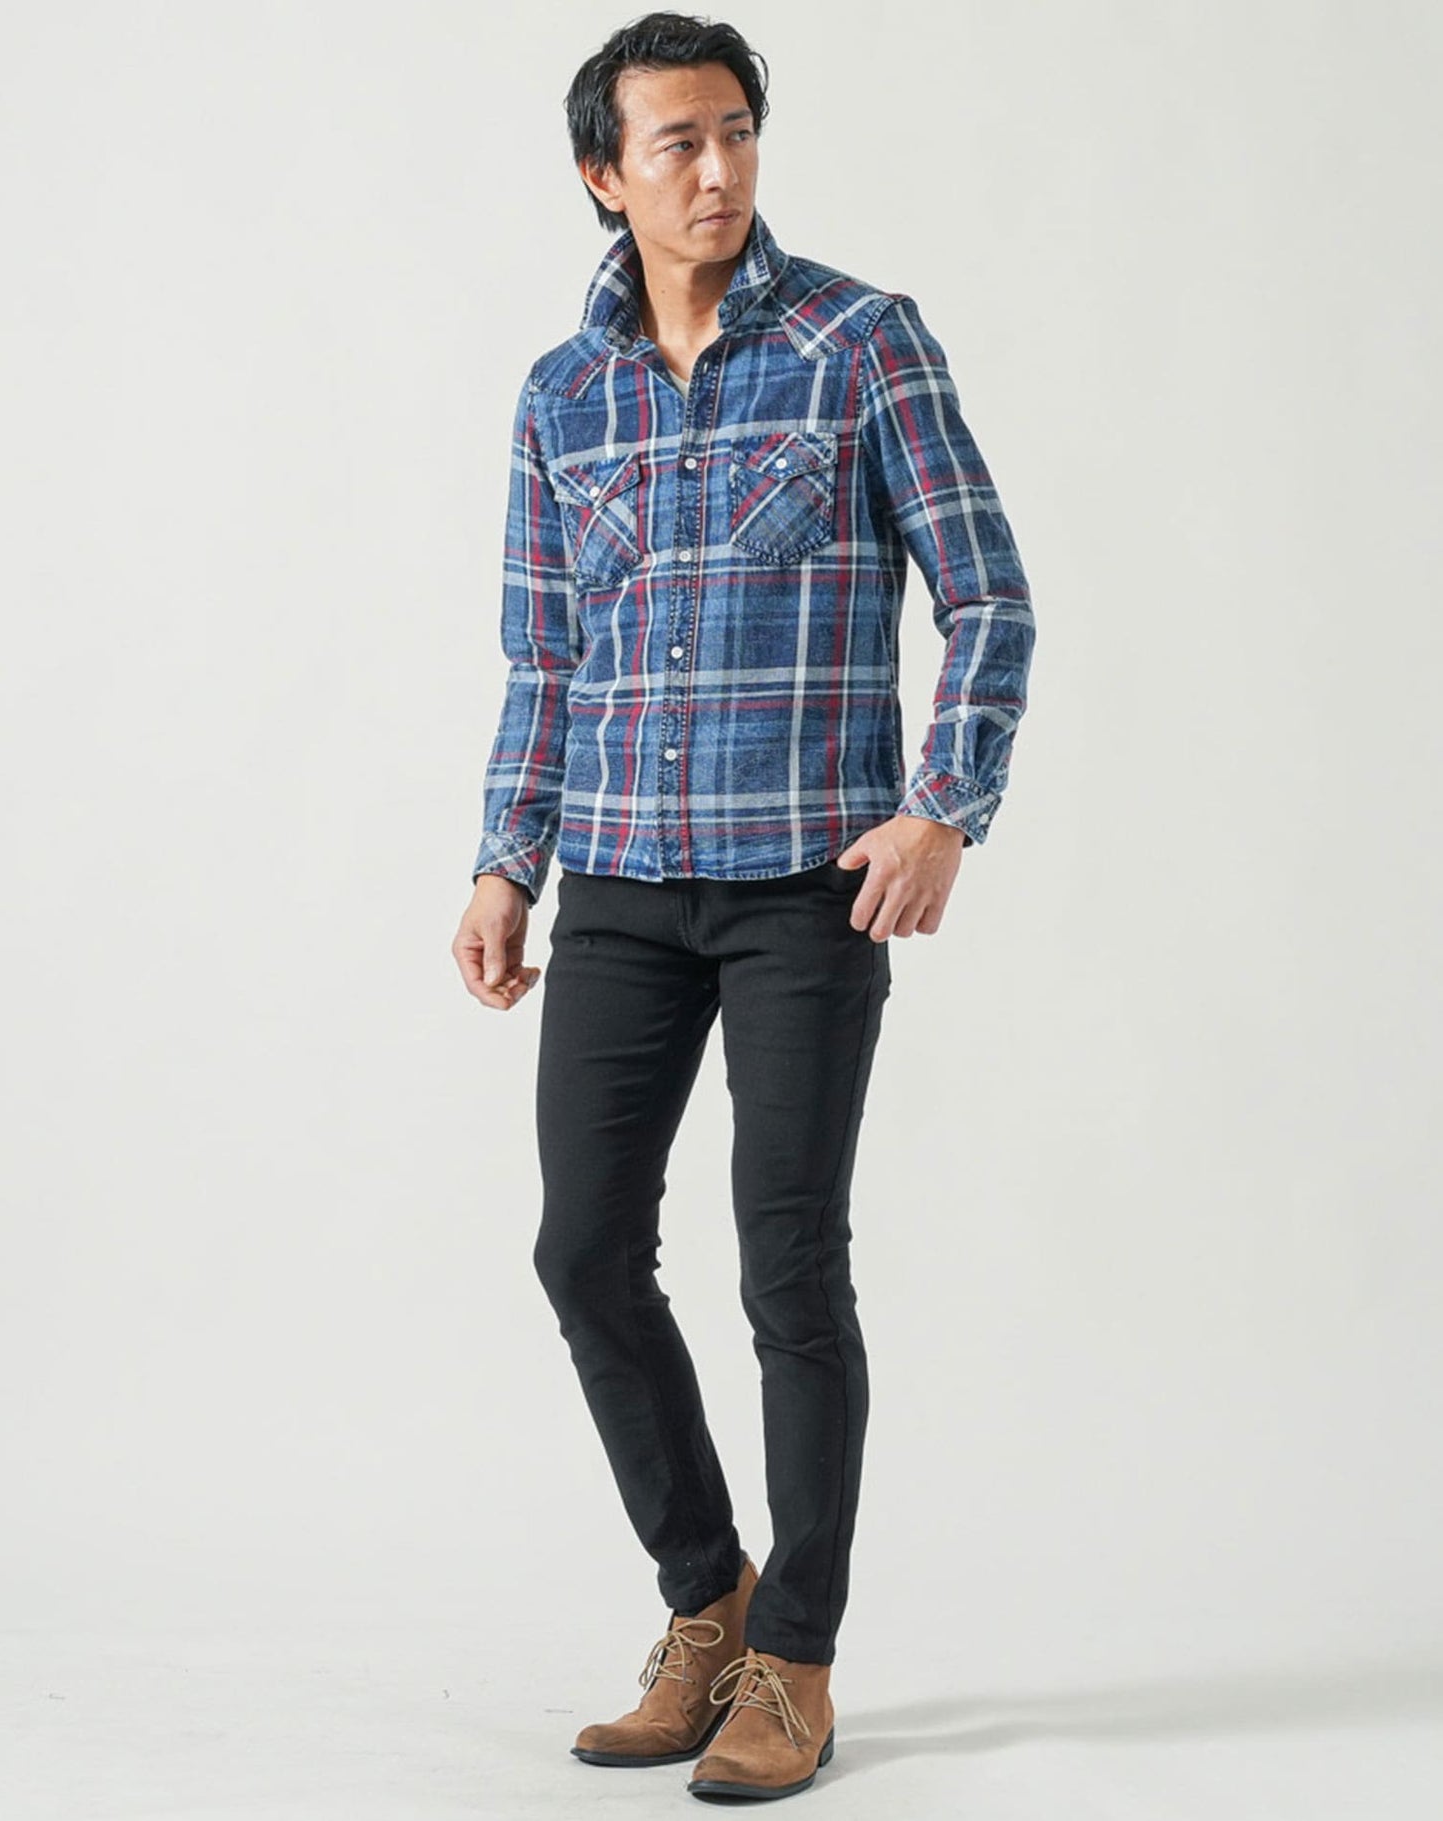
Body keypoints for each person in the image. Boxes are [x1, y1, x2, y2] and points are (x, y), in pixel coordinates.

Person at [451, 10, 1035, 1802]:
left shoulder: (861, 342)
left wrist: (942, 808)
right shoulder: (563, 394)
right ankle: (706, 1597)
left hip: (804, 889)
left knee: (787, 1264)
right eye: (676, 143)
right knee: (580, 1249)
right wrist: (504, 857)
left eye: (735, 133)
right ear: (602, 176)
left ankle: (798, 1657)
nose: (716, 170)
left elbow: (989, 598)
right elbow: (544, 658)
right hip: (622, 883)